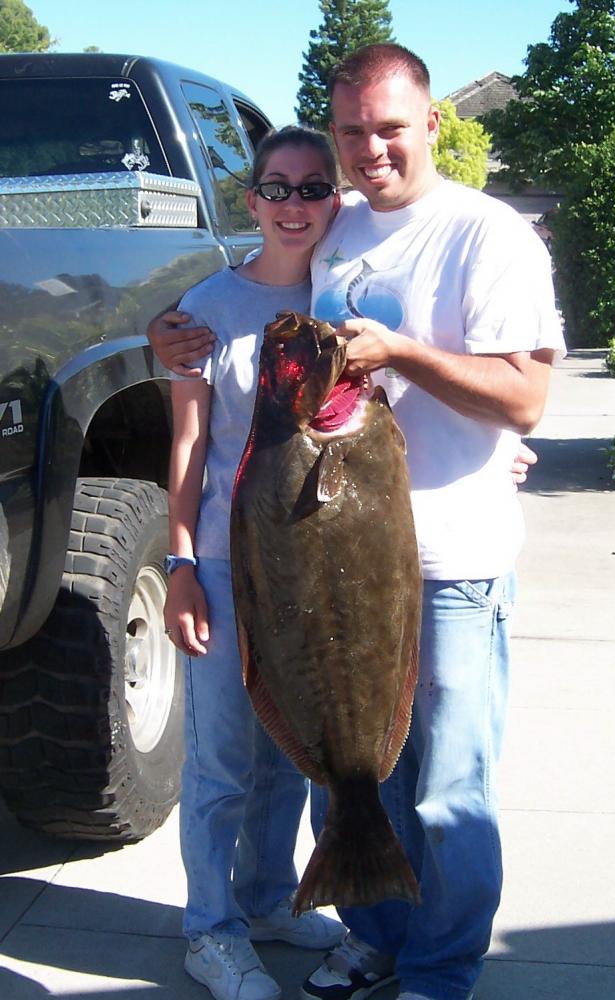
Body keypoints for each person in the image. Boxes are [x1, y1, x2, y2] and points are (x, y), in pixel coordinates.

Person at [150, 43, 564, 1000]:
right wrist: (160, 334)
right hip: (327, 561)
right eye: (351, 133)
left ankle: (441, 968)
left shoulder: (484, 233)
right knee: (356, 773)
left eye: (387, 128)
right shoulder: (339, 237)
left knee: (448, 792)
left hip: (450, 562)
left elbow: (526, 398)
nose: (369, 149)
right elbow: (240, 321)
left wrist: (410, 358)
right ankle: (374, 933)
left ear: (429, 122)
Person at [163, 125, 345, 1000]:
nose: (294, 205)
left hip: (312, 571)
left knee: (287, 751)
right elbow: (191, 446)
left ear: (334, 199)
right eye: (277, 188)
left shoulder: (350, 302)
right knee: (222, 758)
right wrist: (180, 564)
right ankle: (211, 929)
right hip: (229, 566)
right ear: (252, 201)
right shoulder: (204, 310)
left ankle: (268, 899)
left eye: (312, 188)